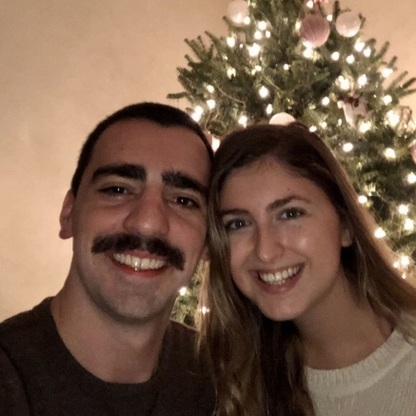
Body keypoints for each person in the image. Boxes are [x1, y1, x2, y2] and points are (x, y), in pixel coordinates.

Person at [0, 102, 215, 415]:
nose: (148, 223)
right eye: (117, 190)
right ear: (69, 214)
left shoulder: (227, 383)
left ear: (208, 242)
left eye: (183, 200)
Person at [200, 122, 416, 416]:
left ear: (345, 225)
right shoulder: (229, 381)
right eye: (238, 224)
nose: (265, 250)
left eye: (290, 214)